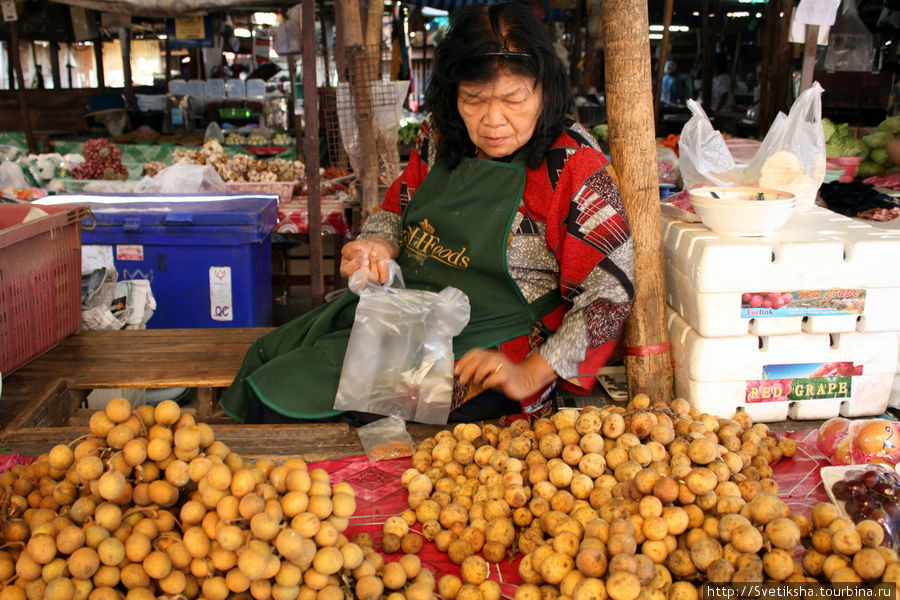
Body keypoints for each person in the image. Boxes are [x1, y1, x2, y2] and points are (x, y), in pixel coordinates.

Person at [221, 1, 635, 425]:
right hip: (407, 319)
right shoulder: (439, 137)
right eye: (473, 99)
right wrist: (376, 245)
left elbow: (609, 293)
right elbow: (395, 211)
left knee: (308, 410)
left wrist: (529, 373)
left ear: (544, 90)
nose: (493, 120)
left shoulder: (573, 167)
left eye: (513, 99)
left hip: (488, 353)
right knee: (273, 370)